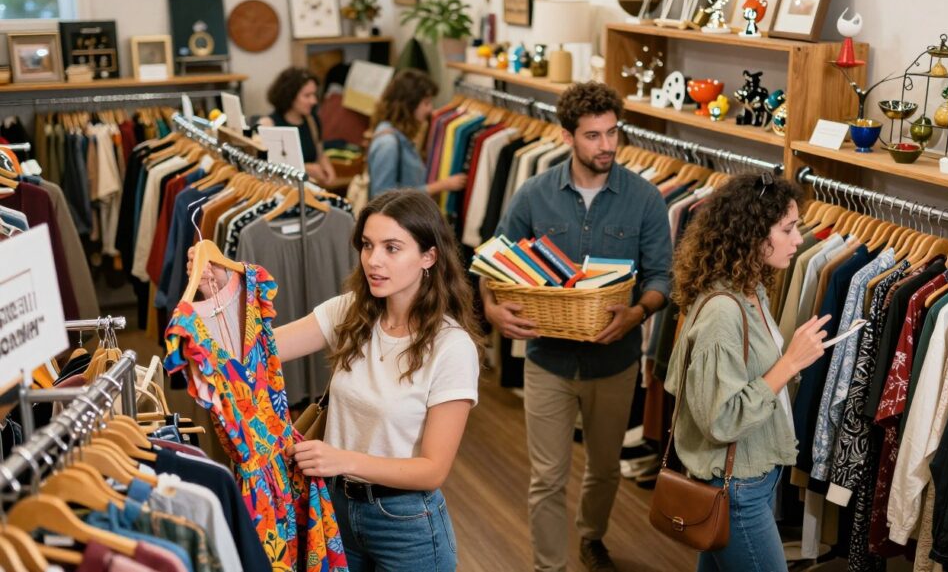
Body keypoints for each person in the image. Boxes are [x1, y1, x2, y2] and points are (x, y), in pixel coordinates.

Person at [190, 189, 482, 571]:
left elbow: (433, 469)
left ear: (429, 256)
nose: (373, 261)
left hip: (407, 524)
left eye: (392, 248)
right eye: (367, 245)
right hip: (335, 507)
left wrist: (341, 459)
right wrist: (217, 294)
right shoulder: (351, 313)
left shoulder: (451, 347)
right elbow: (254, 353)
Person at [482, 82, 673, 572]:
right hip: (548, 359)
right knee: (547, 476)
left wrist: (638, 312)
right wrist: (491, 308)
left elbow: (661, 277)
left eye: (612, 133)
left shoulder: (646, 198)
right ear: (568, 135)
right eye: (593, 135)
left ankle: (593, 537)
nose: (606, 145)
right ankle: (551, 566)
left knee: (605, 468)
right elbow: (494, 261)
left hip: (615, 361)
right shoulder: (534, 193)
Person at [665, 174, 831, 572]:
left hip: (750, 477)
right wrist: (790, 362)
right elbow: (719, 419)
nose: (798, 240)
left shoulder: (751, 289)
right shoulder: (724, 311)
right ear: (753, 233)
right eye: (788, 230)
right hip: (735, 488)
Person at [367, 69, 466, 198]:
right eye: (426, 103)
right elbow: (383, 197)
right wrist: (440, 186)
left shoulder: (396, 134)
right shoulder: (388, 143)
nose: (430, 109)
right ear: (409, 103)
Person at [259, 67, 336, 186]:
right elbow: (267, 166)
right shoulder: (268, 124)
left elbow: (319, 153)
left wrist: (327, 167)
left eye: (314, 95)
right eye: (307, 95)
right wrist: (306, 168)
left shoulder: (313, 121)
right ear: (290, 96)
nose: (314, 101)